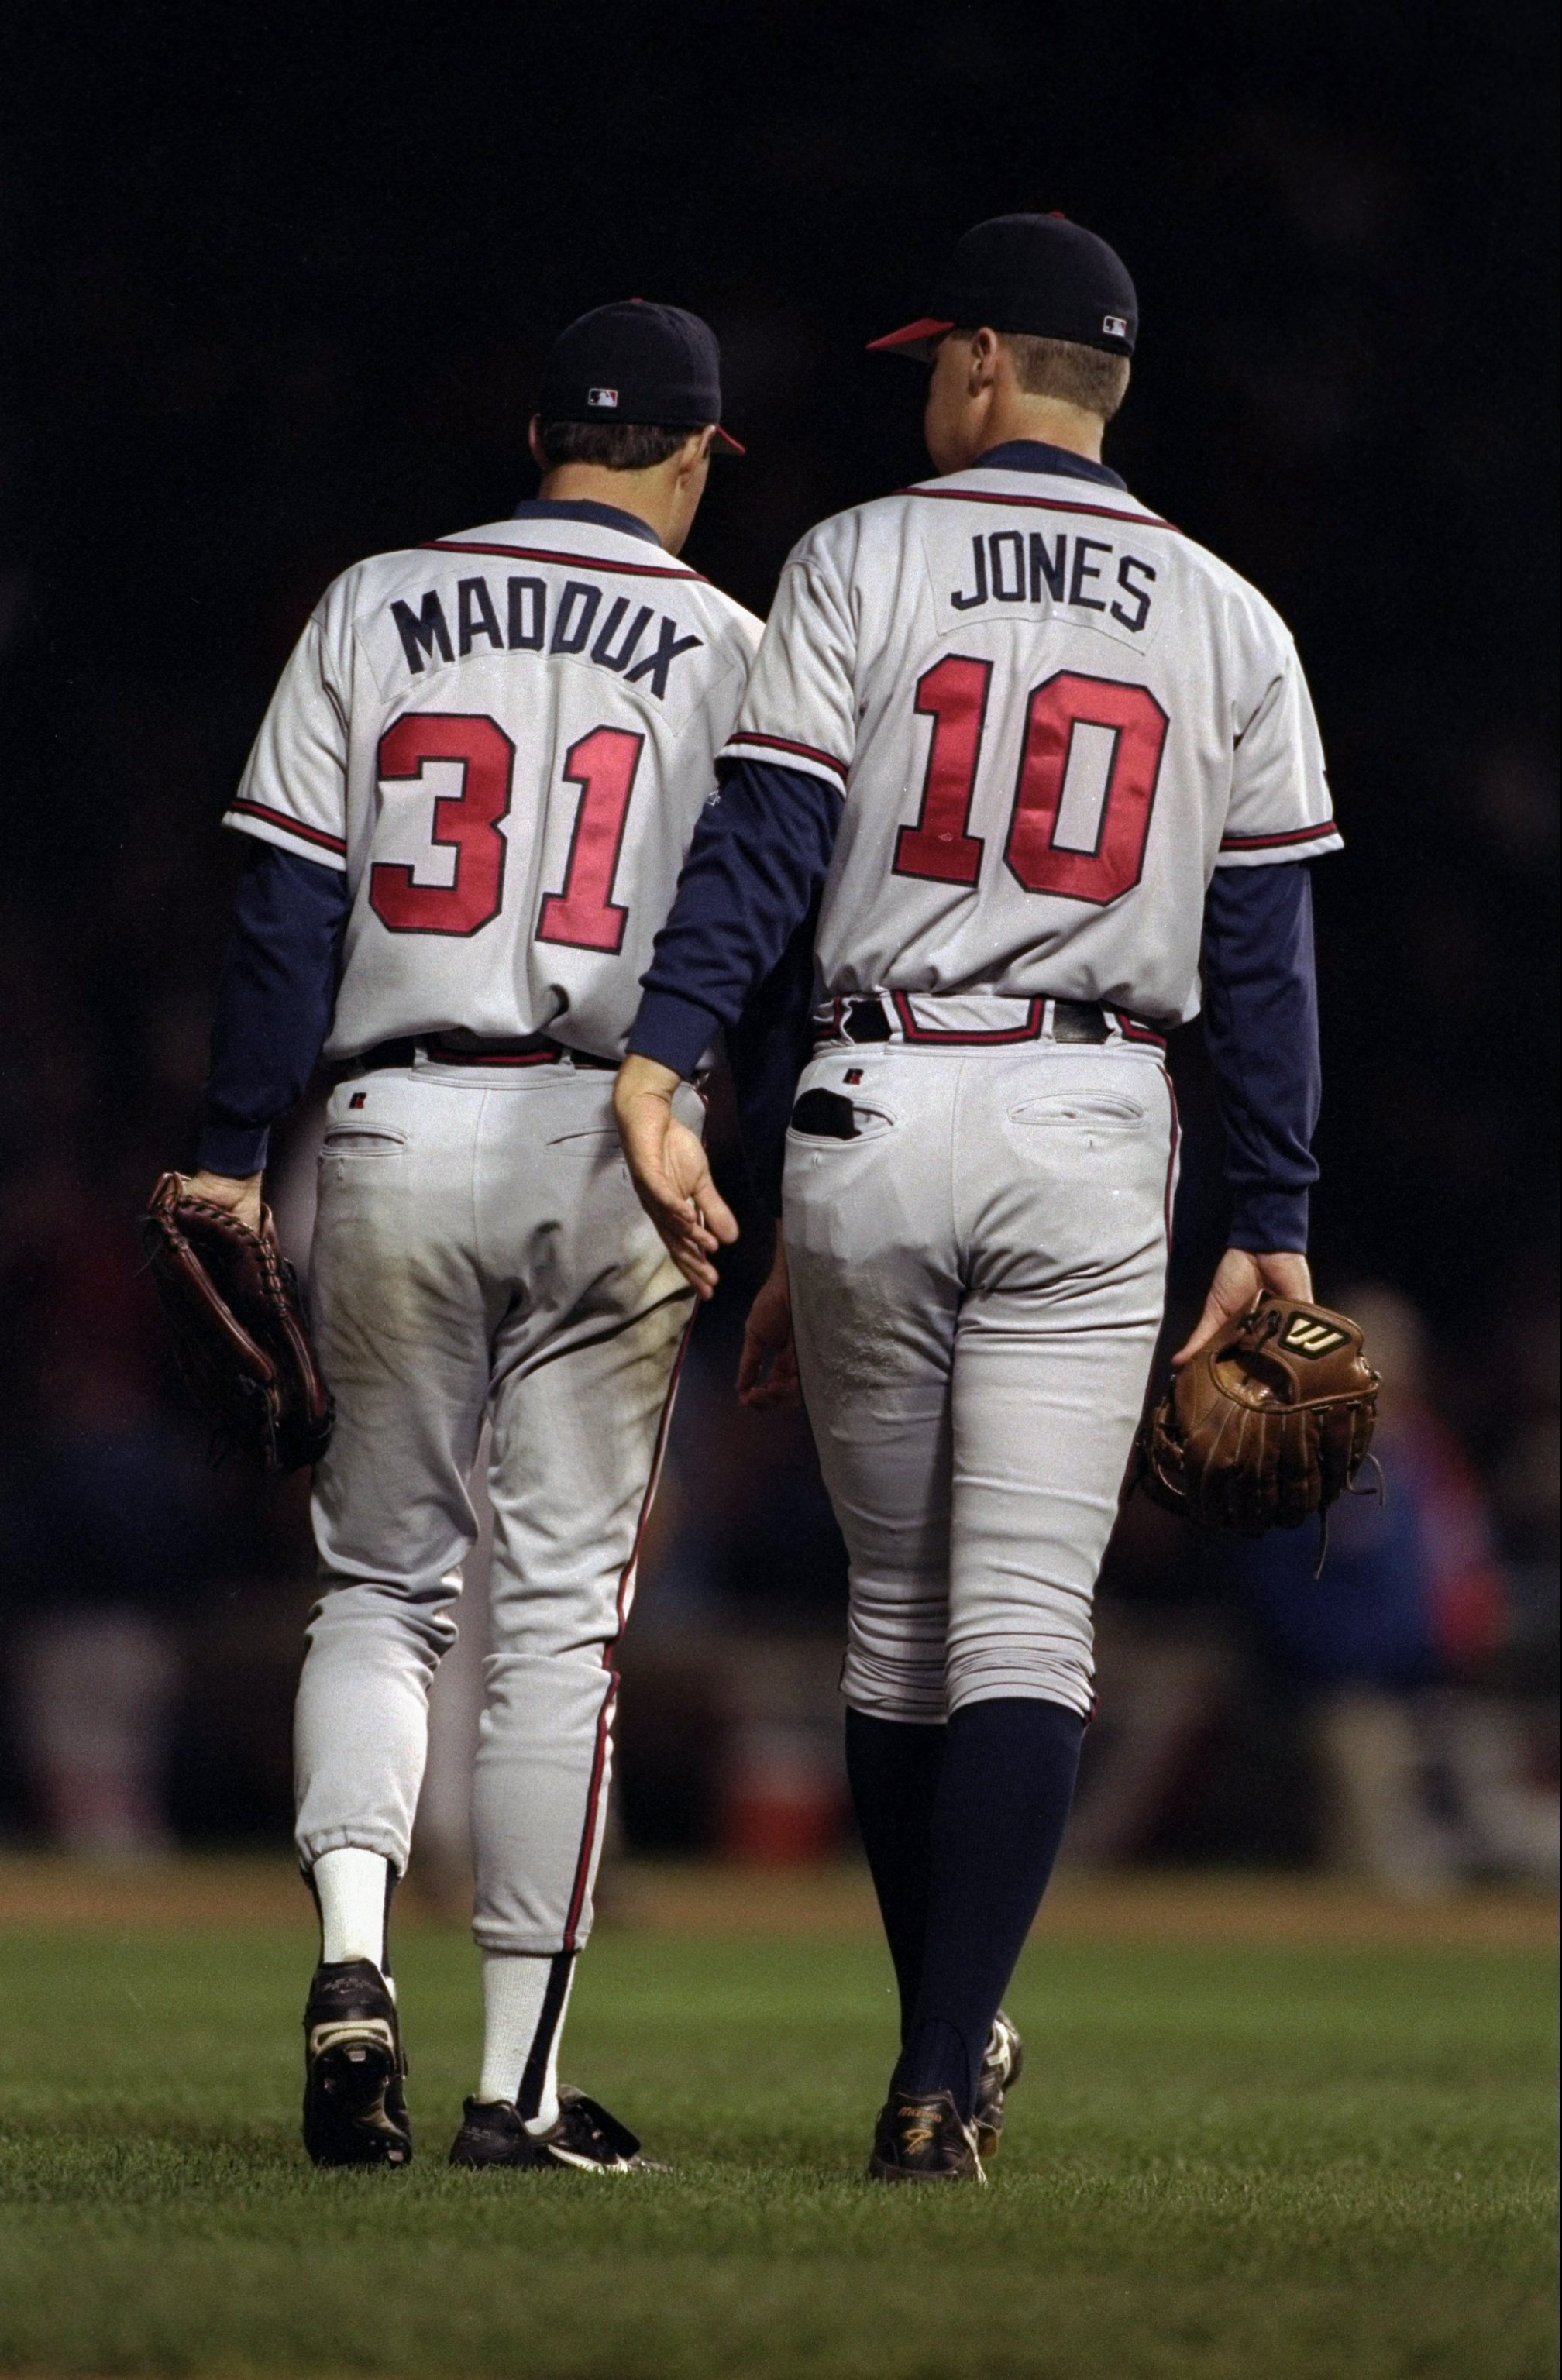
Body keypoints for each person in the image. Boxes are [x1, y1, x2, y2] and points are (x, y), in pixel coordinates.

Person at [614, 215, 1341, 2181]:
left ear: (998, 365)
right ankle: (938, 2078)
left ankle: (947, 2035)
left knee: (896, 1629)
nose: (930, 377)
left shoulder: (857, 555)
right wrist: (1271, 1216)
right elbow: (1263, 960)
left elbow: (764, 856)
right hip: (1095, 1115)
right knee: (1027, 1619)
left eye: (947, 352)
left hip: (866, 1097)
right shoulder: (1231, 617)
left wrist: (671, 1060)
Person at [170, 301, 761, 2170]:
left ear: (533, 433)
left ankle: (356, 1959)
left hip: (392, 1117)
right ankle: (517, 2089)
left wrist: (227, 1149)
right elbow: (774, 921)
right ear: (692, 457)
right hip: (621, 1129)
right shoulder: (739, 646)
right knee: (560, 1633)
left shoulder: (374, 598)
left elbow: (279, 894)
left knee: (379, 1587)